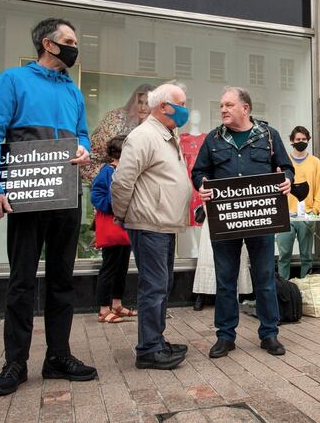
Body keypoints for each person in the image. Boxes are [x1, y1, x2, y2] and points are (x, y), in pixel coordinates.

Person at [0, 18, 97, 396]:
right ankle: (15, 361)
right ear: (49, 44)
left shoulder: (74, 91)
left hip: (65, 195)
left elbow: (82, 135)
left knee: (63, 280)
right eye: (70, 41)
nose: (76, 47)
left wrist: (83, 148)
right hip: (26, 197)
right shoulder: (14, 80)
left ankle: (58, 357)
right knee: (22, 281)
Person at [192, 86, 294, 359]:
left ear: (245, 108)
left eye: (228, 105)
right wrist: (201, 186)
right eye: (221, 106)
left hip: (261, 218)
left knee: (264, 279)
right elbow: (200, 171)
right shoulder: (213, 138)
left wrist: (287, 180)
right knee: (225, 280)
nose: (223, 109)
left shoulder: (269, 136)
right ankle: (225, 337)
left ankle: (269, 334)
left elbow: (286, 167)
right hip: (225, 219)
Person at [111, 83, 192, 370]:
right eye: (181, 103)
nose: (186, 108)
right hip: (149, 224)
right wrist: (123, 215)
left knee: (162, 285)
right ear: (163, 107)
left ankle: (156, 341)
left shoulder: (169, 135)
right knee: (154, 287)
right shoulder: (143, 136)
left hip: (164, 224)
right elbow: (122, 181)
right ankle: (148, 350)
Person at [91, 135, 135, 323]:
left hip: (125, 227)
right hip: (113, 225)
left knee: (121, 267)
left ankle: (116, 304)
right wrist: (113, 207)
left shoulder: (125, 171)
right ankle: (103, 309)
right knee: (109, 268)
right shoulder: (107, 171)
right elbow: (96, 195)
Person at [276, 126, 320, 279]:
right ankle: (283, 290)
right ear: (292, 141)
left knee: (306, 256)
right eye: (298, 139)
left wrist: (315, 210)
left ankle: (305, 289)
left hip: (307, 216)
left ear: (308, 140)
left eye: (304, 139)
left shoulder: (315, 162)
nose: (301, 142)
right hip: (287, 216)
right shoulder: (284, 163)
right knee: (284, 256)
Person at [80, 84, 154, 183]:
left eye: (148, 103)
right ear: (133, 102)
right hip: (99, 165)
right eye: (140, 102)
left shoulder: (152, 123)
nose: (143, 108)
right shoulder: (117, 117)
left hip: (128, 170)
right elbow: (112, 150)